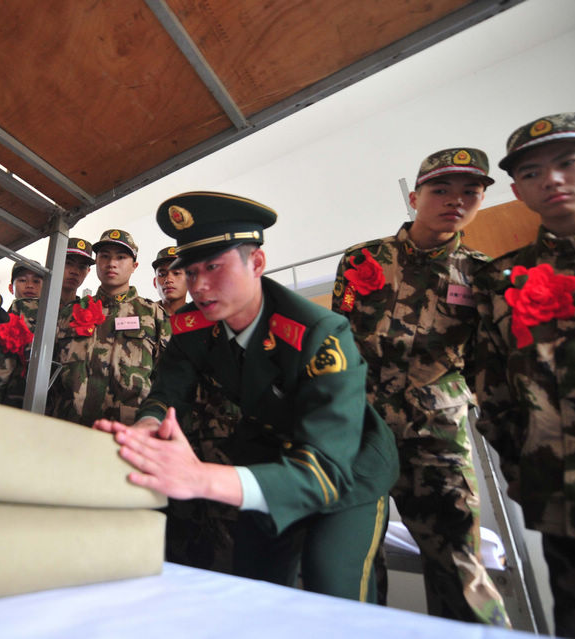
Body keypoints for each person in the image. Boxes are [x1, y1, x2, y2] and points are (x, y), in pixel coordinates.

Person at [94, 192, 398, 602]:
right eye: (190, 270)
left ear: (256, 263)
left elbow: (324, 471)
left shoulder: (318, 333)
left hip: (345, 468)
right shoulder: (194, 325)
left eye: (214, 268)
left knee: (335, 589)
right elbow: (170, 389)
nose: (199, 286)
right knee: (257, 585)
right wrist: (150, 423)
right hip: (267, 455)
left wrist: (201, 478)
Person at [331, 149, 509, 625]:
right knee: (357, 558)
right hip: (362, 430)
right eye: (441, 189)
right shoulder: (362, 260)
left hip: (437, 435)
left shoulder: (481, 273)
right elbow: (337, 341)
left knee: (458, 557)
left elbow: (486, 362)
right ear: (415, 197)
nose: (456, 200)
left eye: (470, 192)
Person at [473, 112, 575, 638]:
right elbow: (491, 383)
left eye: (568, 163)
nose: (553, 180)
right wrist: (521, 466)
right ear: (519, 191)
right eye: (535, 172)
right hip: (561, 493)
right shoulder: (503, 279)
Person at [49, 229, 168, 426]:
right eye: (105, 256)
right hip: (69, 425)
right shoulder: (70, 313)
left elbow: (167, 379)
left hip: (128, 430)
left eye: (121, 257)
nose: (111, 263)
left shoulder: (154, 315)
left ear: (134, 266)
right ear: (96, 262)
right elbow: (49, 372)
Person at [0, 240, 95, 407]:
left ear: (88, 271)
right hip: (13, 402)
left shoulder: (87, 314)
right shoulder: (25, 307)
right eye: (68, 263)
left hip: (58, 408)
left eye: (82, 267)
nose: (75, 272)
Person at [152, 246, 188, 316]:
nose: (168, 280)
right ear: (154, 282)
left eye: (176, 273)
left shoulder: (201, 316)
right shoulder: (142, 316)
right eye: (162, 274)